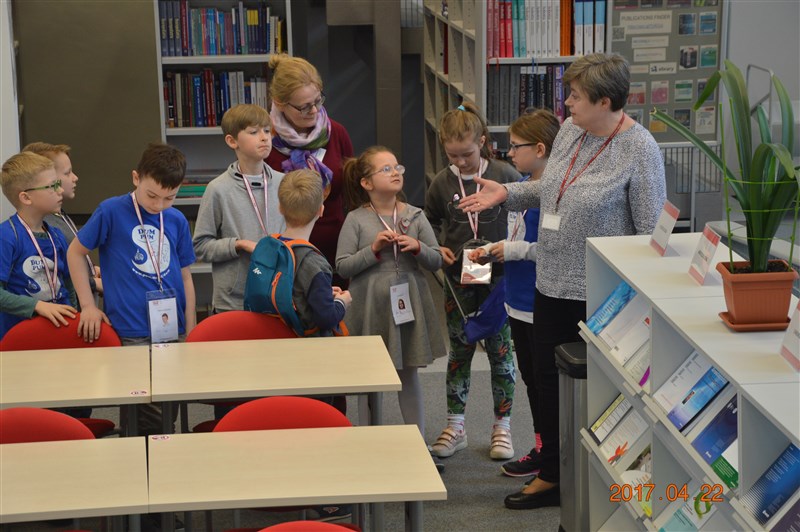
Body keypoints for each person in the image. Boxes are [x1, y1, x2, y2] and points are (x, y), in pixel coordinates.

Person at [460, 53, 667, 509]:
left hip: (599, 295)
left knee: (596, 393)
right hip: (549, 282)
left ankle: (600, 480)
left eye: (575, 96)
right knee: (547, 384)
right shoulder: (573, 130)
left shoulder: (639, 149)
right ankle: (554, 474)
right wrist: (507, 192)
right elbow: (554, 190)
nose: (567, 104)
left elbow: (651, 234)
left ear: (605, 101)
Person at [68, 142, 197, 436]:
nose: (158, 205)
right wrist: (88, 306)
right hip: (131, 329)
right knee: (144, 411)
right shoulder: (112, 211)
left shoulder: (176, 219)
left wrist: (190, 328)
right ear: (136, 178)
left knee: (168, 404)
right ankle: (145, 455)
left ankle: (158, 454)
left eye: (169, 198)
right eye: (152, 195)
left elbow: (186, 277)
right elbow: (75, 253)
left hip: (172, 329)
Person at [424, 102, 521, 461]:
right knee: (460, 351)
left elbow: (525, 215)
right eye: (452, 155)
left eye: (466, 154)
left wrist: (512, 248)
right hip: (459, 280)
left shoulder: (504, 174)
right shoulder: (441, 182)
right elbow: (430, 220)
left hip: (500, 281)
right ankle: (456, 426)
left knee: (501, 352)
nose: (460, 162)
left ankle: (503, 426)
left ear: (481, 142)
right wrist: (436, 246)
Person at [467, 109, 560, 478]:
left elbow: (558, 249)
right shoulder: (519, 185)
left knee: (546, 383)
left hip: (543, 301)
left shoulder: (556, 192)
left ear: (539, 149)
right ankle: (542, 447)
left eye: (516, 146)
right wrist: (493, 250)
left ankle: (554, 454)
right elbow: (517, 236)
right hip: (516, 301)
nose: (509, 153)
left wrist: (515, 250)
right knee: (531, 380)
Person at [336, 146, 447, 441]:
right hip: (369, 305)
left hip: (408, 302)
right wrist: (373, 249)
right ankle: (368, 441)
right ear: (366, 183)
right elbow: (343, 266)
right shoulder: (356, 219)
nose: (395, 172)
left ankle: (417, 441)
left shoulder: (415, 215)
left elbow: (436, 260)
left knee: (408, 374)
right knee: (370, 377)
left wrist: (418, 247)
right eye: (386, 169)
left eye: (397, 167)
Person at [265, 53, 354, 285]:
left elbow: (352, 196)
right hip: (285, 255)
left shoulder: (337, 133)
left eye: (317, 101)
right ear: (279, 103)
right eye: (304, 107)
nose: (314, 111)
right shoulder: (265, 142)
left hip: (336, 251)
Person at [193, 104, 285, 314]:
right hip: (234, 302)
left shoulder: (284, 183)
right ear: (232, 141)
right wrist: (239, 245)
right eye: (253, 132)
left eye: (267, 131)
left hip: (277, 295)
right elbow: (200, 246)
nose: (264, 138)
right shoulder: (218, 189)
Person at [0, 152, 77, 339]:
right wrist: (37, 306)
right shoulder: (7, 236)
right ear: (26, 198)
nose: (60, 190)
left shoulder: (56, 235)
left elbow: (69, 285)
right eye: (52, 186)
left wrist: (75, 319)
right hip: (21, 339)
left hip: (60, 332)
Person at [22, 142, 102, 297]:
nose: (75, 177)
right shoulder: (44, 224)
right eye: (67, 173)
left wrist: (92, 269)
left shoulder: (59, 214)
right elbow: (53, 275)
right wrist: (93, 282)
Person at [277, 168, 351, 337]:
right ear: (321, 210)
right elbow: (326, 318)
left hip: (273, 338)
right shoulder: (314, 263)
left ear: (280, 208)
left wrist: (323, 292)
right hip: (307, 345)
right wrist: (342, 302)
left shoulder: (270, 247)